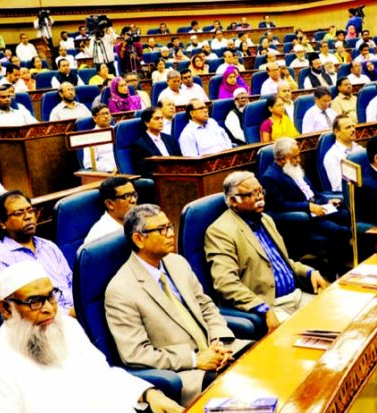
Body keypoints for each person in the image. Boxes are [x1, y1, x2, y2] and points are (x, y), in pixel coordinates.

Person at [0, 261, 184, 413]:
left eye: (51, 296)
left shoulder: (66, 326)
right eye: (34, 301)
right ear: (6, 309)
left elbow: (103, 375)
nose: (49, 309)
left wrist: (147, 394)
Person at [106, 204, 239, 405]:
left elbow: (206, 305)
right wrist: (195, 360)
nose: (170, 234)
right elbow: (136, 353)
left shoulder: (177, 262)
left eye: (169, 226)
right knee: (233, 388)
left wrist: (219, 341)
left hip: (216, 350)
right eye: (161, 230)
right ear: (138, 239)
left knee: (259, 359)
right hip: (186, 371)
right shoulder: (120, 290)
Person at [205, 171, 330, 331]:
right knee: (310, 339)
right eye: (252, 194)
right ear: (233, 201)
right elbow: (226, 283)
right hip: (271, 305)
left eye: (260, 192)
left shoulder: (266, 220)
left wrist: (308, 272)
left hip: (297, 296)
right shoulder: (221, 231)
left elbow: (282, 262)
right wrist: (262, 308)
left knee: (338, 317)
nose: (259, 198)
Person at [260, 138, 351, 277]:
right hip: (304, 218)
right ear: (283, 159)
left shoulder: (294, 168)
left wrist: (327, 201)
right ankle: (335, 272)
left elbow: (313, 191)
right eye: (295, 157)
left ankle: (347, 263)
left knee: (347, 215)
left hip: (319, 207)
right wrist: (308, 207)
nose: (299, 160)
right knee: (338, 231)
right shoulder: (270, 177)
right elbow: (279, 205)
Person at [0, 190, 74, 312]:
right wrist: (70, 314)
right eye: (19, 213)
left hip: (76, 311)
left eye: (30, 211)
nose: (28, 217)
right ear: (2, 223)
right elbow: (17, 310)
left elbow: (71, 282)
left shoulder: (48, 246)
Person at [83, 177, 137, 245]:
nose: (133, 200)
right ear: (110, 204)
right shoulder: (100, 236)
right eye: (127, 196)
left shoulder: (138, 219)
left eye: (134, 194)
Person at [131, 107, 182, 178]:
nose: (161, 121)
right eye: (157, 119)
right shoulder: (139, 145)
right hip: (160, 180)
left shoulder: (170, 139)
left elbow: (181, 160)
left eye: (162, 118)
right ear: (147, 123)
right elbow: (143, 172)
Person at [323, 114, 361, 192]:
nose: (353, 130)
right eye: (348, 127)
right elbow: (338, 186)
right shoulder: (331, 156)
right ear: (337, 132)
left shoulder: (359, 148)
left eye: (353, 126)